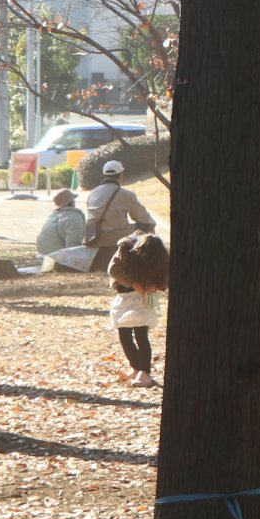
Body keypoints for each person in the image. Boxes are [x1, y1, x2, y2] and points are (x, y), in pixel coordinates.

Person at [107, 230, 169, 387]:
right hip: (125, 296)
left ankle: (145, 372)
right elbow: (114, 269)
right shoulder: (126, 248)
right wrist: (134, 283)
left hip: (143, 298)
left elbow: (166, 274)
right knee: (124, 334)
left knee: (141, 334)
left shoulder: (159, 254)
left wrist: (158, 285)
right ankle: (136, 367)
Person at [83, 160, 157, 273]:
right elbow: (145, 219)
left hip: (94, 238)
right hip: (116, 239)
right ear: (121, 175)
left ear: (104, 175)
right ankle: (142, 262)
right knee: (148, 226)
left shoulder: (92, 193)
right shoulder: (127, 195)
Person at [37, 189, 87, 256]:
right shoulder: (74, 218)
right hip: (57, 259)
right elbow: (73, 247)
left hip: (43, 256)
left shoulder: (53, 215)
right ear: (71, 201)